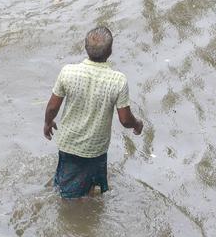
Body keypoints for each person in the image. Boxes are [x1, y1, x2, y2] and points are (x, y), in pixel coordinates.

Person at [43, 26, 144, 198]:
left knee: (65, 187)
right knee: (91, 190)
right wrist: (138, 124)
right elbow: (125, 120)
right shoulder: (118, 80)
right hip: (96, 148)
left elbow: (53, 107)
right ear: (110, 51)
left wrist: (48, 122)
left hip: (69, 142)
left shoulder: (68, 72)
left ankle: (73, 210)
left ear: (85, 47)